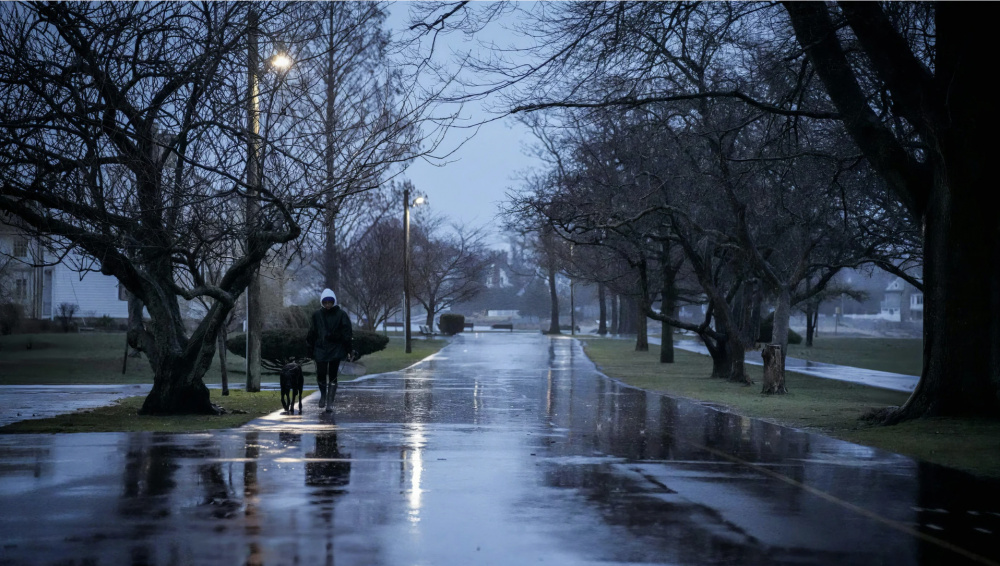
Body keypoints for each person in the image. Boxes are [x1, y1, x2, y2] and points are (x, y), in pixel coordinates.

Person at [306, 288, 353, 411]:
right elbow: (312, 332)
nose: (328, 305)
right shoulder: (317, 315)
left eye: (330, 302)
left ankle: (330, 402)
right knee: (321, 374)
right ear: (322, 302)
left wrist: (348, 348)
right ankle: (323, 396)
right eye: (325, 302)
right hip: (321, 349)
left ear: (334, 302)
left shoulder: (341, 314)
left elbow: (347, 332)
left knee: (332, 375)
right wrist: (310, 349)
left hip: (335, 349)